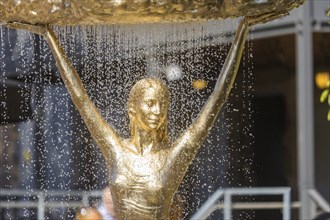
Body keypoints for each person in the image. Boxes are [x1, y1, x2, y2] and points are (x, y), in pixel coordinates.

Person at [6, 13, 276, 220]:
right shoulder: (117, 150)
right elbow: (81, 99)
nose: (157, 111)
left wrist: (242, 32)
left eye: (162, 104)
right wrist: (50, 36)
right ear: (133, 109)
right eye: (150, 104)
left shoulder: (172, 156)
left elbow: (216, 99)